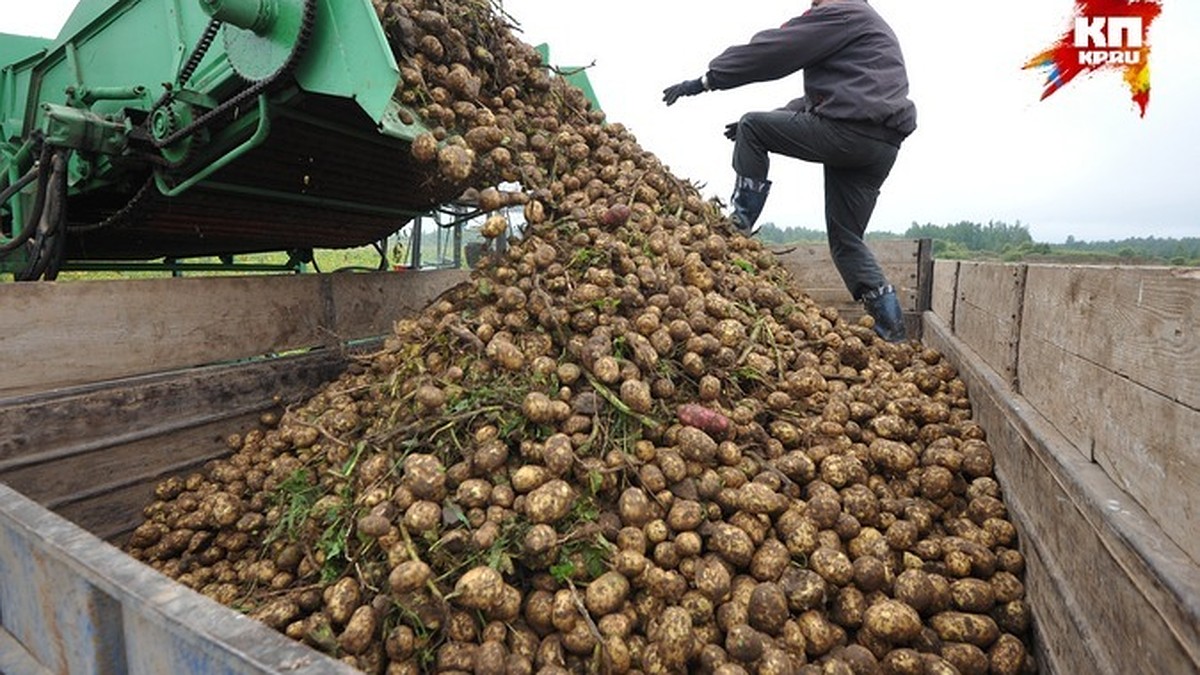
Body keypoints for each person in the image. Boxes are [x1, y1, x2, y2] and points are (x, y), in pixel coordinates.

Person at [661, 0, 917, 342]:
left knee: (754, 125)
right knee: (846, 241)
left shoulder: (842, 11)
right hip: (880, 146)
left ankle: (737, 227)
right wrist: (775, 118)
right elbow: (824, 103)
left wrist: (706, 80)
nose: (812, 4)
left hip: (850, 133)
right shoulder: (869, 26)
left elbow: (776, 50)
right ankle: (894, 335)